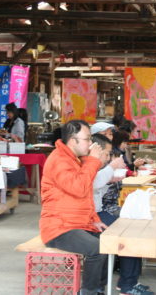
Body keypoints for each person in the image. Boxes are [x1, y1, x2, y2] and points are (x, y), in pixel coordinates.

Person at [40, 120, 107, 295]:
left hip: (76, 223)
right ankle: (88, 291)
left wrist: (94, 219)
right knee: (97, 249)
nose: (91, 143)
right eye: (87, 139)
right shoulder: (59, 160)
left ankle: (98, 288)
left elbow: (85, 196)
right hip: (59, 228)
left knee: (110, 242)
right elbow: (79, 188)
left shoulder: (74, 158)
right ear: (72, 140)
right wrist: (93, 161)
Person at [90, 134, 151, 295]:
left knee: (134, 227)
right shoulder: (88, 165)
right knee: (129, 232)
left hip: (98, 212)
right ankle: (126, 284)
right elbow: (92, 185)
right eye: (107, 154)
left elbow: (97, 188)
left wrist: (110, 180)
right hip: (91, 215)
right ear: (95, 151)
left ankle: (129, 282)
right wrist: (111, 170)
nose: (108, 158)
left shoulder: (96, 166)